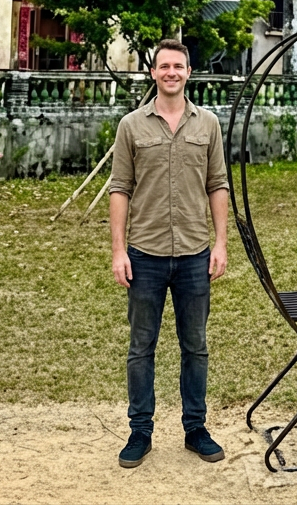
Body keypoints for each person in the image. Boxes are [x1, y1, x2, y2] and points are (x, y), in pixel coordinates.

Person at [108, 39, 229, 468]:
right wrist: (119, 250)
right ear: (154, 73)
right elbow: (120, 188)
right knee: (141, 346)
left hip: (196, 253)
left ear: (189, 72)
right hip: (145, 254)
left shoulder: (208, 124)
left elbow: (218, 184)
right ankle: (140, 431)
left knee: (194, 345)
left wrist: (220, 242)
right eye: (164, 66)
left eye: (178, 66)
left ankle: (195, 428)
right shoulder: (132, 126)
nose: (171, 73)